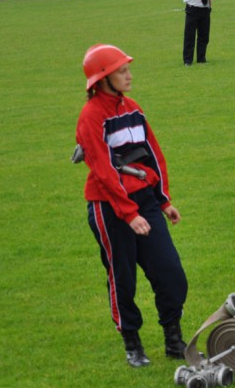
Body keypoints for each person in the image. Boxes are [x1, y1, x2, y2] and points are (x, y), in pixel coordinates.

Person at [76, 44, 189, 368]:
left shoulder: (133, 109)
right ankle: (133, 344)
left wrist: (162, 201)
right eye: (121, 71)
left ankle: (173, 339)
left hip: (143, 202)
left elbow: (152, 154)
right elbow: (103, 169)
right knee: (122, 278)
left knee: (171, 274)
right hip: (108, 207)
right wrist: (129, 214)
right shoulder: (91, 116)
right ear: (102, 78)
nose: (129, 75)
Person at [178, 0, 219, 66]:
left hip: (205, 10)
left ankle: (201, 59)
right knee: (189, 36)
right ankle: (188, 61)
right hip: (192, 9)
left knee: (204, 36)